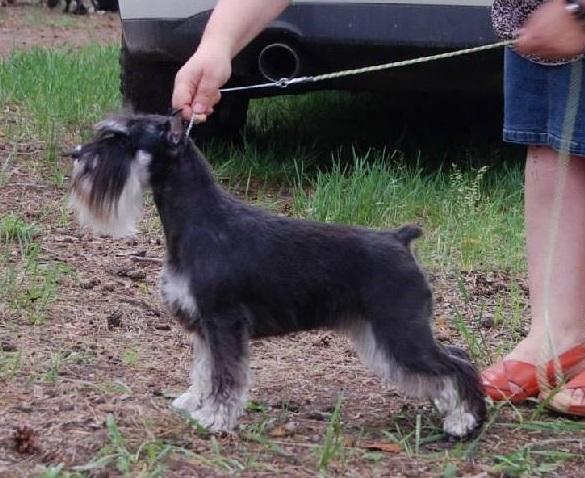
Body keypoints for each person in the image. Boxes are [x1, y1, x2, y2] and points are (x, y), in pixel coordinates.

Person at [172, 0, 585, 416]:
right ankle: (557, 333)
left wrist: (576, 11)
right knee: (548, 141)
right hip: (533, 17)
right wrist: (218, 44)